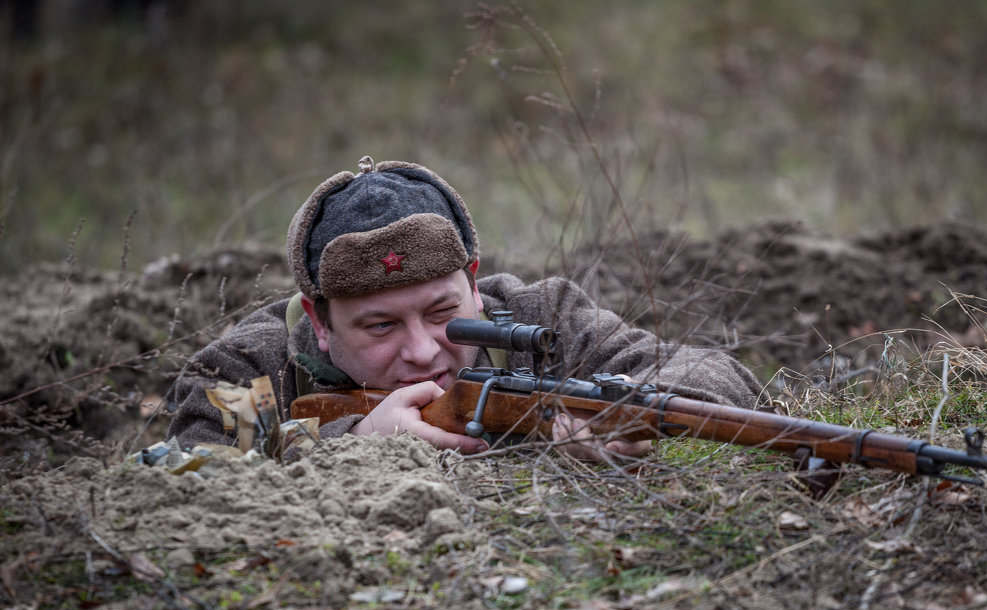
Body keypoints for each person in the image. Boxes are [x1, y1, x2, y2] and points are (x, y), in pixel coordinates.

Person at [167, 157, 762, 460]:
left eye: (441, 312)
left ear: (474, 284)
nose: (424, 350)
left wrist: (618, 414)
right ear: (319, 322)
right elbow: (192, 477)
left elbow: (714, 372)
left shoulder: (537, 313)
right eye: (380, 325)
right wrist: (352, 441)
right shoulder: (249, 370)